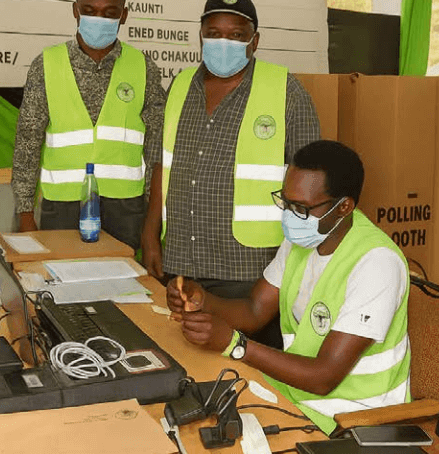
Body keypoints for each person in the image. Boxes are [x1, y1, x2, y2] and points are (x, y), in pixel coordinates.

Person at [167, 140, 411, 433]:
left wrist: (235, 345)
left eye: (302, 207)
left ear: (344, 207)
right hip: (295, 395)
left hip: (353, 418)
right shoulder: (304, 238)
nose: (291, 215)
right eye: (286, 202)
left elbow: (324, 377)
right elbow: (255, 310)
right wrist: (202, 299)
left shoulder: (377, 263)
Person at [142, 0, 320, 347]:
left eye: (236, 35)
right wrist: (150, 234)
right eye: (214, 33)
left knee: (243, 361)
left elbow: (313, 182)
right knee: (182, 353)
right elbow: (163, 161)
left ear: (255, 41)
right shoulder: (180, 86)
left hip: (250, 269)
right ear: (201, 36)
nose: (224, 43)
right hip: (181, 260)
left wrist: (300, 258)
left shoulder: (286, 90)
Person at [11, 0, 166, 249]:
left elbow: (157, 147)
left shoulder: (144, 68)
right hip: (62, 208)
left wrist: (150, 216)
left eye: (110, 13)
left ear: (124, 15)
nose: (99, 19)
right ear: (75, 10)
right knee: (62, 274)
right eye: (90, 11)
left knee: (122, 276)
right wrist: (25, 213)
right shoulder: (46, 65)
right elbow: (27, 143)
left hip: (126, 210)